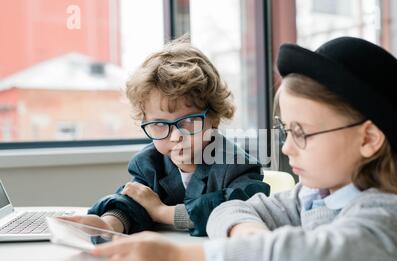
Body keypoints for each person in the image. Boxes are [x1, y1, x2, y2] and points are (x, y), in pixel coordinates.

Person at [90, 37, 397, 261]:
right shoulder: (311, 196)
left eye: (302, 133)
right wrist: (252, 238)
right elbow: (231, 209)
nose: (287, 148)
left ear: (369, 139)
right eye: (285, 131)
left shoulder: (388, 214)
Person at [62, 35, 270, 237]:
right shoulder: (148, 163)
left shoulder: (236, 165)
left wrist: (163, 212)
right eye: (160, 124)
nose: (176, 136)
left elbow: (237, 209)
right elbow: (133, 204)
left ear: (214, 118)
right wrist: (109, 224)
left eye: (189, 121)